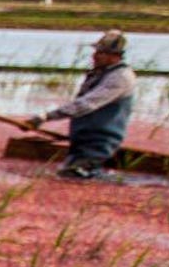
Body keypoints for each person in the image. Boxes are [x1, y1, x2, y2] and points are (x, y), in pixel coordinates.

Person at [25, 30, 134, 179]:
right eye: (96, 51)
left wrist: (44, 117)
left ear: (114, 55)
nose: (94, 56)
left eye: (100, 52)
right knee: (67, 175)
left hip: (100, 142)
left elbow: (86, 104)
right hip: (82, 138)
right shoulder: (99, 73)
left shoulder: (120, 78)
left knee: (75, 176)